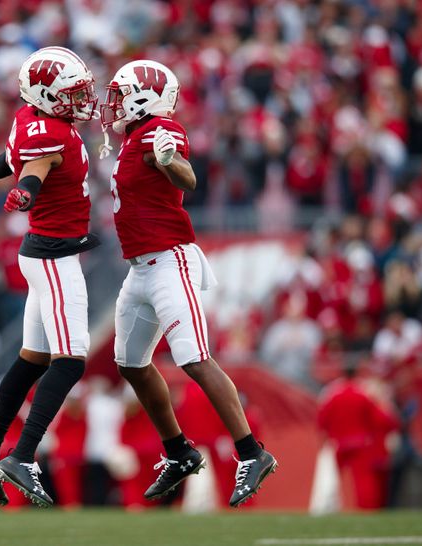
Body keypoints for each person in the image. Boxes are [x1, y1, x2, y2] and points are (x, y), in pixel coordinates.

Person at [99, 60, 277, 507]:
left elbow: (187, 176)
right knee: (130, 363)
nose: (115, 102)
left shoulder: (162, 129)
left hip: (170, 260)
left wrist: (168, 161)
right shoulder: (130, 138)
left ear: (145, 96)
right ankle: (178, 451)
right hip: (139, 268)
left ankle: (251, 452)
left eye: (123, 93)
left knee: (195, 360)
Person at [0, 46, 99, 507]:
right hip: (54, 256)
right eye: (72, 93)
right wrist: (22, 191)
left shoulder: (29, 117)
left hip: (41, 253)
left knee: (32, 359)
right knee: (72, 360)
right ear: (47, 96)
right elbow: (35, 168)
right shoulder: (51, 134)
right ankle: (22, 455)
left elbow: (12, 154)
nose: (80, 99)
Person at [317, 363, 398, 509]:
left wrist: (327, 436)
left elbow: (322, 419)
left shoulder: (333, 394)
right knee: (363, 480)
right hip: (361, 443)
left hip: (339, 443)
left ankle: (331, 507)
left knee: (334, 480)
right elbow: (383, 420)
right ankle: (365, 509)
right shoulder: (363, 394)